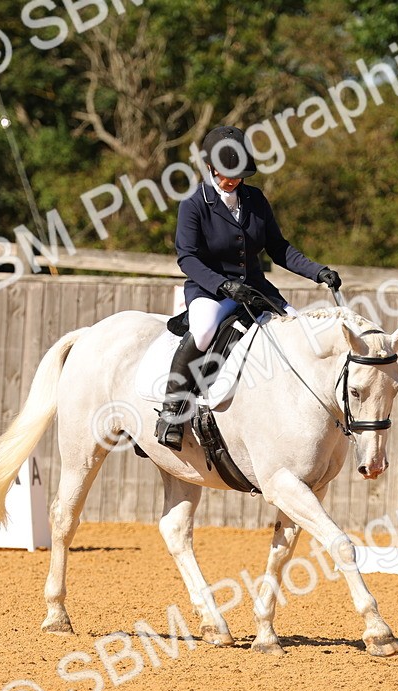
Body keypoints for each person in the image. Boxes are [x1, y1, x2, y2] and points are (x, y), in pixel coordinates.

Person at [155, 125, 342, 451]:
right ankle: (172, 410)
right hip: (209, 289)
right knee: (202, 332)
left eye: (239, 175)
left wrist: (318, 271)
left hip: (256, 290)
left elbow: (279, 248)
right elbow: (187, 258)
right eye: (227, 175)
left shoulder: (255, 199)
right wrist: (222, 284)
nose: (233, 181)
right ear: (211, 168)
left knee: (296, 327)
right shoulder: (194, 203)